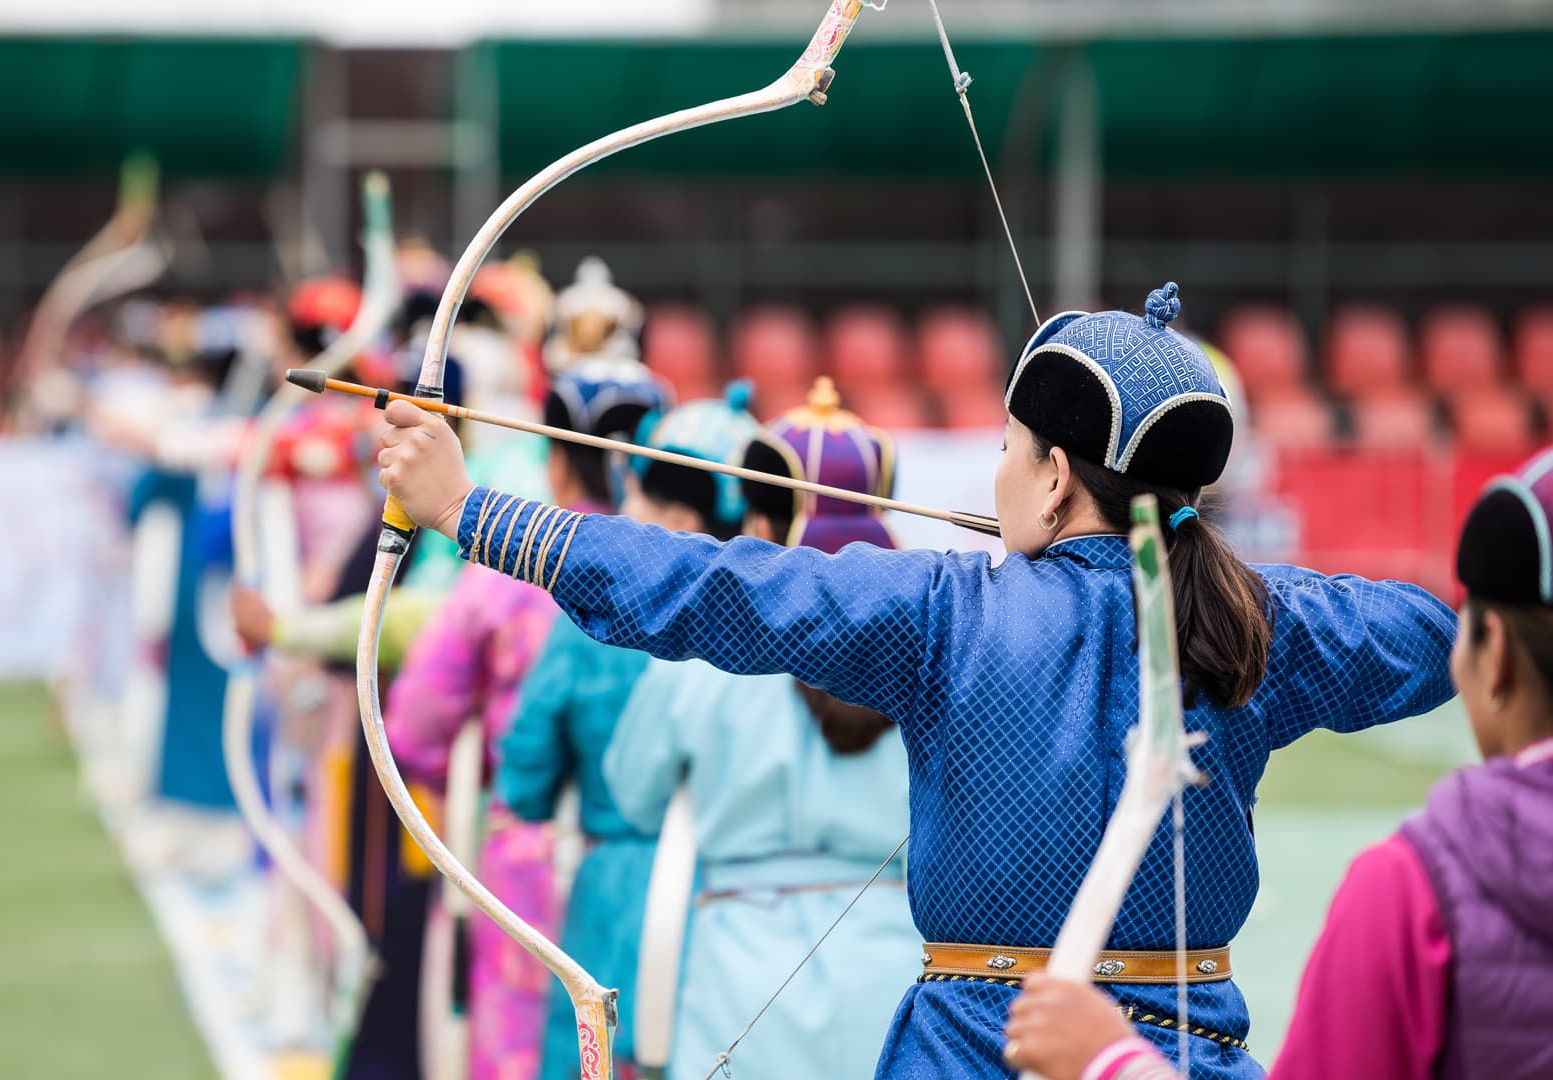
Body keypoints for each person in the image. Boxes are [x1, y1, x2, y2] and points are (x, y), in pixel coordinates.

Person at [371, 283, 1459, 1079]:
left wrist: (473, 510)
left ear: (1048, 474)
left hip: (974, 1053)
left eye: (1007, 445)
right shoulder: (1257, 621)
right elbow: (1437, 635)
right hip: (1181, 1054)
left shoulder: (947, 609)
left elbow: (715, 587)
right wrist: (1247, 588)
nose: (996, 471)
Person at [1003, 448, 1553, 1080]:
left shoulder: (1411, 890)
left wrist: (1109, 1061)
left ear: (1498, 657)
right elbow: (1430, 631)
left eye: (1006, 447)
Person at [603, 378, 926, 1080]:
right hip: (893, 971)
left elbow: (632, 793)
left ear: (759, 525)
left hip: (740, 977)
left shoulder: (698, 653)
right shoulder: (934, 648)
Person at [385, 361, 668, 1080]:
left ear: (555, 456)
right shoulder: (684, 571)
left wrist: (487, 784)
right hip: (672, 869)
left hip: (531, 855)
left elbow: (415, 726)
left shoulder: (508, 567)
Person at [499, 386, 765, 1080]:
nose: (622, 516)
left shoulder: (591, 617)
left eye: (638, 501)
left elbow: (524, 772)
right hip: (747, 903)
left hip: (618, 893)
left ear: (678, 517)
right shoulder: (774, 620)